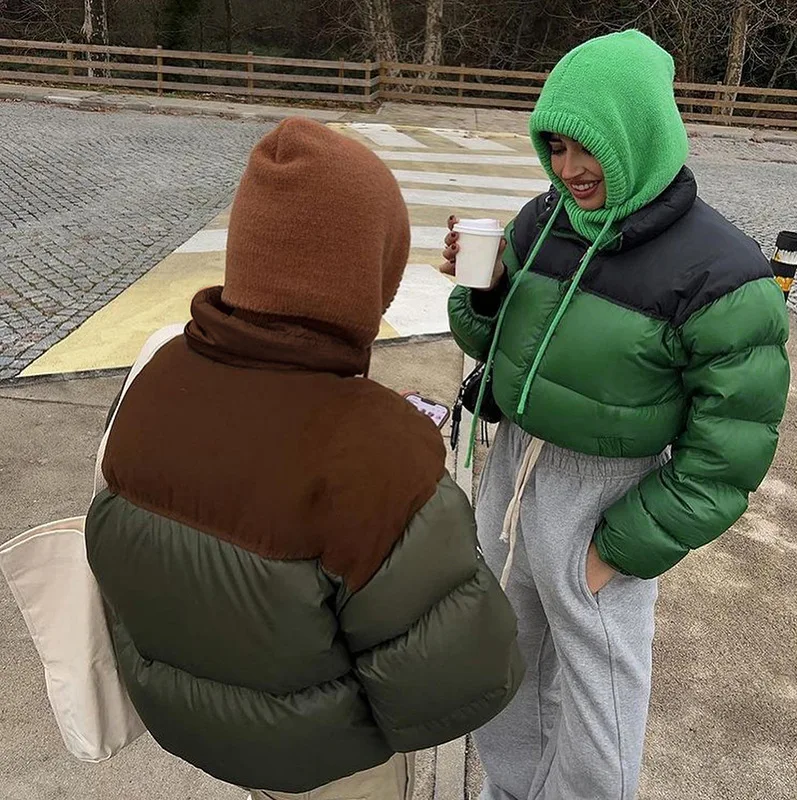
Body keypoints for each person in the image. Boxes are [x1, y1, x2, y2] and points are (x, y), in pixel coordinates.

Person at [86, 118, 524, 799]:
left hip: (200, 733)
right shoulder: (380, 451)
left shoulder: (155, 376)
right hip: (330, 765)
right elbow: (456, 685)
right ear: (366, 275)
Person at [441, 30, 790, 800]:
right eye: (556, 146)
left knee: (598, 697)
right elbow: (490, 346)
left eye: (588, 148)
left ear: (640, 133)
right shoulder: (543, 219)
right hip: (512, 471)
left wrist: (623, 545)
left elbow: (730, 452)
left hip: (603, 498)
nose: (568, 169)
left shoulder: (724, 275)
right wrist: (484, 291)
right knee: (504, 657)